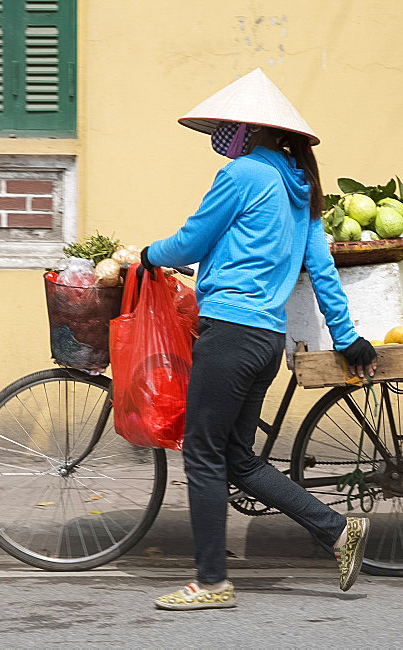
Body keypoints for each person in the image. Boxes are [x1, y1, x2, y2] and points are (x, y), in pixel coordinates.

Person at [141, 68, 378, 611]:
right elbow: (321, 270)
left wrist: (147, 257)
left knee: (202, 454)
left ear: (254, 130)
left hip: (228, 332)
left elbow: (191, 240)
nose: (224, 134)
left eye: (230, 125)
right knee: (238, 460)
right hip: (265, 340)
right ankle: (338, 531)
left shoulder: (245, 175)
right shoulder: (302, 190)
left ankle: (212, 583)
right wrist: (346, 334)